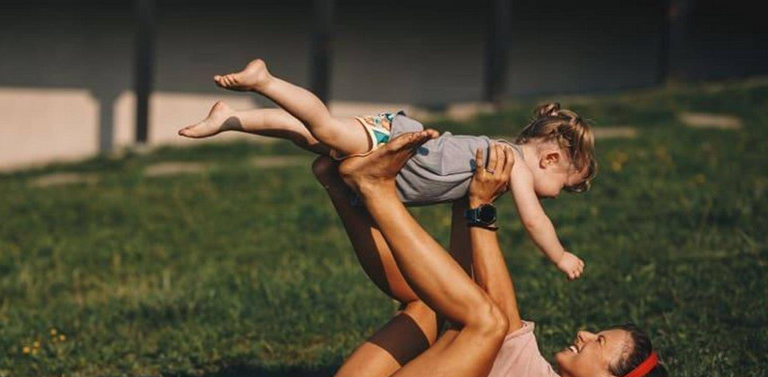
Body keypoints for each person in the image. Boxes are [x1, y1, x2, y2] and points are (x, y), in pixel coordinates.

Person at [290, 131, 670, 377]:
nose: (584, 334)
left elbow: (502, 324)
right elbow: (458, 294)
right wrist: (464, 197)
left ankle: (375, 188)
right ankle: (340, 185)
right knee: (429, 305)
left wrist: (481, 207)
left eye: (599, 341)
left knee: (487, 324)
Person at [179, 59, 597, 279]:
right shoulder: (516, 166)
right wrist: (560, 256)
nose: (557, 195)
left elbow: (468, 219)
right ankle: (265, 82)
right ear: (551, 159)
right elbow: (534, 220)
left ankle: (230, 117)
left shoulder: (499, 163)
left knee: (307, 138)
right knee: (322, 125)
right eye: (565, 184)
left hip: (401, 157)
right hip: (399, 145)